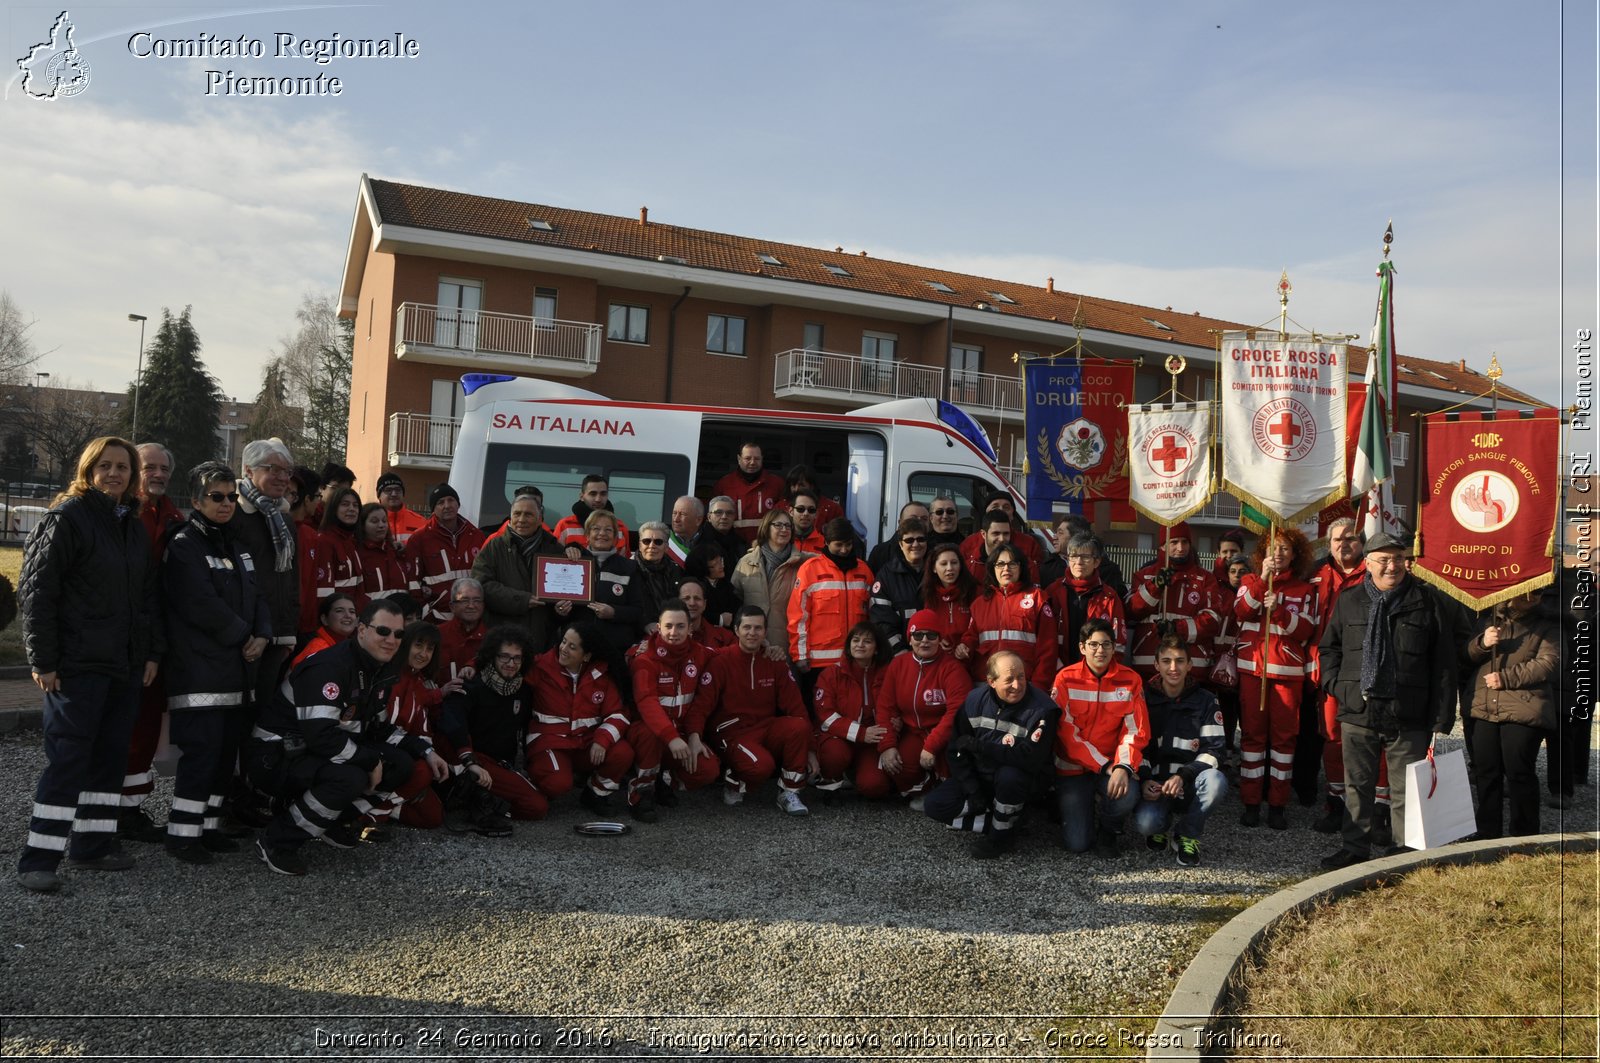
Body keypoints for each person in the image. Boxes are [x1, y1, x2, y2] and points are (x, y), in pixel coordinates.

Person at [16, 436, 160, 892]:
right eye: (106, 466)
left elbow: (145, 598)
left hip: (122, 666)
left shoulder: (130, 525)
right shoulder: (67, 519)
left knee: (109, 759)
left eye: (123, 467)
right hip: (77, 666)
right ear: (88, 470)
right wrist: (44, 660)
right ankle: (39, 859)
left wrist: (149, 654)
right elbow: (38, 594)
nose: (115, 474)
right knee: (68, 760)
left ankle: (92, 847)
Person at [248, 599, 448, 876]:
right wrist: (369, 761)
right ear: (362, 630)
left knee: (402, 764)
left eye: (399, 634)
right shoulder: (330, 667)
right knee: (351, 777)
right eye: (383, 631)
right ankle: (276, 841)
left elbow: (376, 729)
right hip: (274, 753)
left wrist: (425, 751)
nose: (391, 640)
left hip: (312, 748)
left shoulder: (379, 670)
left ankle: (331, 822)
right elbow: (320, 736)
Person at [1317, 528, 1457, 869]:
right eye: (1383, 559)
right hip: (1358, 708)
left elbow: (1444, 663)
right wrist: (1338, 686)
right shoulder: (1350, 600)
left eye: (1398, 558)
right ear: (1367, 563)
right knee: (1357, 786)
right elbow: (1329, 649)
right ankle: (1355, 848)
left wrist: (1441, 717)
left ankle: (1401, 852)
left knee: (1405, 789)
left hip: (1408, 711)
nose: (1391, 566)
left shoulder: (1427, 601)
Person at [159, 461, 272, 864]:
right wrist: (245, 635)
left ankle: (208, 827)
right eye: (216, 497)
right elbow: (198, 604)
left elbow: (258, 596)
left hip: (238, 669)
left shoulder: (237, 545)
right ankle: (183, 835)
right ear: (195, 500)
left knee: (226, 754)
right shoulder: (185, 544)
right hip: (200, 671)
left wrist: (262, 635)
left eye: (230, 497)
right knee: (202, 753)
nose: (226, 504)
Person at [227, 438, 301, 822]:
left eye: (285, 471)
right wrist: (246, 632)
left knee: (261, 719)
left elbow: (290, 580)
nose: (280, 477)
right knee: (236, 720)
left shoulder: (284, 519)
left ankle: (253, 790)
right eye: (271, 469)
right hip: (244, 638)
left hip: (276, 639)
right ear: (249, 471)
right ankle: (229, 796)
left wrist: (288, 634)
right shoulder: (233, 514)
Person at [923, 651, 1059, 859]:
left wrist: (982, 747)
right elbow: (956, 750)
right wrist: (973, 790)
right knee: (934, 805)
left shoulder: (1042, 709)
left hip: (1020, 780)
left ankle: (1000, 837)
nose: (1017, 685)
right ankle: (1006, 822)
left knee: (1009, 776)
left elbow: (1030, 759)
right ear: (991, 682)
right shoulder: (973, 701)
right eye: (1009, 679)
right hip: (982, 777)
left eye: (1021, 676)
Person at [116, 441, 187, 842]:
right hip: (122, 640)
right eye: (149, 467)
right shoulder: (119, 515)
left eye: (164, 469)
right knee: (119, 728)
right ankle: (104, 810)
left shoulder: (172, 516)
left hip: (156, 641)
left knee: (144, 729)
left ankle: (130, 807)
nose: (157, 475)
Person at [1234, 525, 1318, 830]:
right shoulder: (1249, 581)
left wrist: (1280, 610)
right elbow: (1242, 611)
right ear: (1263, 554)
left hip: (1286, 676)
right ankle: (1251, 802)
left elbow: (1306, 630)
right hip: (1253, 672)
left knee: (1284, 742)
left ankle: (1278, 805)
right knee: (1252, 739)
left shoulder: (1305, 590)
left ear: (1295, 554)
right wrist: (1261, 583)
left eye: (1285, 548)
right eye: (1273, 548)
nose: (1278, 553)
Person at [1464, 590, 1560, 839]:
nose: (1531, 598)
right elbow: (1467, 656)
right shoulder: (1489, 619)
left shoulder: (1548, 625)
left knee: (1519, 771)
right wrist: (1482, 643)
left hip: (1523, 707)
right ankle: (1487, 831)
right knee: (1486, 772)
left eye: (1537, 593)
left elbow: (1549, 662)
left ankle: (1525, 833)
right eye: (1525, 593)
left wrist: (1506, 678)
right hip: (1484, 707)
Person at [1050, 618, 1150, 856]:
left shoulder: (1131, 680)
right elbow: (1066, 734)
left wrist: (1122, 767)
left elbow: (1135, 731)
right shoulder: (1065, 678)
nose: (1100, 650)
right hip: (1073, 769)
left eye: (1106, 644)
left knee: (1128, 793)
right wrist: (1104, 765)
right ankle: (1068, 806)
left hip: (1111, 765)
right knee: (1077, 845)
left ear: (1114, 647)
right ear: (1082, 648)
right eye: (1093, 644)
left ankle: (1109, 830)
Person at [434, 626, 549, 826]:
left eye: (517, 658)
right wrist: (469, 760)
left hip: (500, 764)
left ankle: (481, 800)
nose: (510, 663)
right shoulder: (471, 686)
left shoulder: (524, 691)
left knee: (537, 805)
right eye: (504, 657)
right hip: (472, 760)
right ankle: (475, 796)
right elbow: (452, 725)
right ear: (492, 656)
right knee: (536, 806)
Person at [704, 606, 812, 815]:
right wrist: (694, 736)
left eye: (757, 628)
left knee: (799, 726)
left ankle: (789, 792)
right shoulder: (721, 660)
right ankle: (734, 780)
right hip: (731, 732)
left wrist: (812, 748)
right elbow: (702, 705)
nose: (752, 633)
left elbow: (796, 706)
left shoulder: (775, 661)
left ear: (765, 633)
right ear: (736, 630)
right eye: (747, 627)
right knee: (762, 767)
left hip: (763, 727)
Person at [1135, 636, 1229, 867]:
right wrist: (1145, 780)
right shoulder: (1143, 698)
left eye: (1180, 661)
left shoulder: (1207, 700)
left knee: (1216, 781)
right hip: (1157, 785)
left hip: (1190, 783)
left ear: (1190, 665)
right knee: (1146, 823)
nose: (1173, 668)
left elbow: (1215, 750)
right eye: (1166, 661)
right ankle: (1161, 825)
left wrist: (1183, 776)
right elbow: (1137, 746)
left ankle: (1187, 833)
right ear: (1156, 665)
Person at [525, 621, 635, 816]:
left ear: (586, 656)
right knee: (557, 784)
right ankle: (541, 784)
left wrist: (602, 741)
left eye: (572, 646)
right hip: (550, 742)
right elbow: (506, 661)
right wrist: (472, 666)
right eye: (564, 642)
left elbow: (618, 713)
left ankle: (595, 794)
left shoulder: (602, 674)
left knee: (622, 753)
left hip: (587, 743)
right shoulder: (541, 666)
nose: (563, 649)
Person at [1305, 517, 1372, 833]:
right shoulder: (1316, 574)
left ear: (1360, 541)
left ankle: (1374, 808)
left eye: (1350, 538)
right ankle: (1336, 802)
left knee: (1369, 738)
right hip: (1328, 669)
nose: (1344, 544)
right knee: (1331, 738)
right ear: (1328, 544)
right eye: (1337, 540)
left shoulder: (1374, 572)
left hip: (1365, 668)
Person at [626, 600, 720, 821]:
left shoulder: (699, 653)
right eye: (668, 626)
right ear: (658, 627)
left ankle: (662, 780)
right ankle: (640, 794)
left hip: (681, 733)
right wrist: (671, 738)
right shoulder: (645, 659)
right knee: (650, 736)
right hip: (648, 732)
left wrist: (764, 646)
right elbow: (647, 702)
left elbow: (729, 655)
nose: (673, 632)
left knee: (707, 769)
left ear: (690, 629)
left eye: (680, 626)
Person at [874, 609, 973, 803]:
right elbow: (885, 707)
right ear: (910, 639)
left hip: (946, 735)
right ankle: (926, 788)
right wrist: (887, 745)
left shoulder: (952, 668)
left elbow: (956, 712)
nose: (924, 641)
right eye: (918, 635)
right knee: (896, 766)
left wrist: (932, 745)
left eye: (931, 635)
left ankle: (946, 787)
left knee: (956, 770)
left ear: (939, 639)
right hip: (912, 731)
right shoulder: (898, 665)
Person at [377, 622, 461, 830]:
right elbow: (379, 729)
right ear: (405, 644)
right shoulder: (389, 676)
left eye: (430, 648)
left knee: (432, 817)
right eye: (419, 645)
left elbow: (422, 722)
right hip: (380, 752)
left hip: (404, 754)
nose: (424, 653)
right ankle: (371, 814)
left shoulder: (417, 680)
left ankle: (385, 806)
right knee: (423, 770)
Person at [471, 491, 570, 653]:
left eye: (528, 515)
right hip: (502, 638)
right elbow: (481, 586)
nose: (522, 520)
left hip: (541, 641)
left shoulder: (555, 549)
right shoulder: (494, 547)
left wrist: (560, 611)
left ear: (540, 519)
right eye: (517, 514)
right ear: (510, 517)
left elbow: (562, 593)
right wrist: (523, 600)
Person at [1127, 521, 1224, 680]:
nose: (1180, 548)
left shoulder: (1205, 578)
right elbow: (1132, 611)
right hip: (1149, 664)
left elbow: (1212, 620)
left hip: (1193, 667)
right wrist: (1155, 587)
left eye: (1185, 542)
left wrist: (1177, 629)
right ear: (1163, 546)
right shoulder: (1144, 576)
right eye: (1174, 542)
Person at [788, 518, 875, 693]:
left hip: (856, 659)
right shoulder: (810, 570)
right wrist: (800, 655)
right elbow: (798, 617)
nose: (844, 550)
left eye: (848, 544)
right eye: (839, 545)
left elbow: (872, 614)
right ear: (826, 543)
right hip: (820, 663)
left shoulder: (864, 571)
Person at [963, 542, 1058, 687]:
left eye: (1012, 563)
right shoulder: (979, 604)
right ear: (992, 568)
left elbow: (1048, 648)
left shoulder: (1037, 598)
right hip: (987, 684)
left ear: (1021, 568)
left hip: (1023, 684)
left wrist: (1040, 686)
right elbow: (971, 639)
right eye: (1000, 564)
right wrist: (964, 646)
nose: (1006, 568)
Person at [813, 622, 891, 796]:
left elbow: (897, 707)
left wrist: (892, 727)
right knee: (835, 754)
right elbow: (826, 716)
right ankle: (830, 781)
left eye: (867, 641)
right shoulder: (832, 674)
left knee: (874, 786)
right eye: (855, 640)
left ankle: (859, 773)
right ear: (849, 645)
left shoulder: (888, 673)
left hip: (873, 739)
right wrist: (861, 733)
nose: (860, 645)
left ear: (877, 648)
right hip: (839, 737)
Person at [731, 508, 813, 659]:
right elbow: (735, 603)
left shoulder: (804, 563)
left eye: (788, 526)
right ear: (766, 528)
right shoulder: (746, 562)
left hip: (787, 649)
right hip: (752, 648)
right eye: (778, 525)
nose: (784, 530)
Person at [1046, 531, 1128, 669]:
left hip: (1096, 674)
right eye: (1073, 556)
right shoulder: (1053, 592)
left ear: (1097, 562)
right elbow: (1043, 639)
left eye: (1085, 557)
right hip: (1058, 671)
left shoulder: (1110, 597)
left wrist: (1101, 672)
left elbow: (1118, 644)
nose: (1078, 562)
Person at [408, 483, 486, 623]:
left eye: (451, 500)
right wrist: (424, 612)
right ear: (433, 509)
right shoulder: (419, 539)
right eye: (440, 502)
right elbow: (413, 582)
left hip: (472, 616)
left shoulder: (476, 535)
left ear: (458, 504)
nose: (447, 505)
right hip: (436, 618)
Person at [579, 508, 647, 653]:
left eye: (608, 530)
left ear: (616, 537)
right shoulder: (574, 564)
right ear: (587, 535)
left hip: (615, 647)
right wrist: (560, 611)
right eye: (596, 529)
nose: (602, 533)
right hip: (579, 646)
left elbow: (638, 611)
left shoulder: (629, 567)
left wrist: (614, 612)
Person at [868, 518, 929, 655]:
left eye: (921, 539)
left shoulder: (937, 571)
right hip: (899, 655)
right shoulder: (886, 576)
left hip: (935, 654)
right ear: (901, 544)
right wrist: (900, 652)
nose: (915, 544)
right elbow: (881, 622)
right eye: (909, 540)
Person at [713, 442, 787, 544]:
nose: (752, 462)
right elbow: (713, 518)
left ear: (762, 459)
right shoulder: (724, 484)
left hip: (766, 546)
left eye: (757, 459)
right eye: (747, 458)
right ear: (739, 459)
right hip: (730, 546)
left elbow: (785, 519)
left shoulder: (777, 484)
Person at [958, 491, 1043, 572]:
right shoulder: (969, 544)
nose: (1001, 510)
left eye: (1006, 507)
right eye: (995, 507)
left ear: (1013, 515)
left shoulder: (1029, 544)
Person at [552, 474, 632, 557]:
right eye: (593, 494)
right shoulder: (565, 525)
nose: (598, 499)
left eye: (603, 494)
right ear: (582, 496)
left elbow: (626, 562)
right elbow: (554, 558)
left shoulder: (620, 527)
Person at [921, 542, 977, 656]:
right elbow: (923, 627)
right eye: (943, 564)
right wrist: (935, 640)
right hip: (938, 659)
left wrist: (966, 644)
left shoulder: (974, 591)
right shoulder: (927, 594)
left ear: (961, 566)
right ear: (934, 568)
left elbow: (979, 626)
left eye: (954, 563)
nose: (949, 568)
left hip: (969, 657)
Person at [289, 466, 324, 644]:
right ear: (307, 499)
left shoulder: (310, 534)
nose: (320, 502)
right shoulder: (290, 533)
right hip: (291, 628)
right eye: (318, 496)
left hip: (306, 627)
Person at [316, 487, 365, 610]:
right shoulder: (324, 541)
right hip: (334, 619)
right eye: (345, 504)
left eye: (355, 505)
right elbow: (323, 592)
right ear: (333, 509)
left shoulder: (352, 542)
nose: (351, 509)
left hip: (353, 618)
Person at [355, 502, 411, 606]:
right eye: (374, 521)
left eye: (384, 521)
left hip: (402, 615)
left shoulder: (397, 552)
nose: (381, 525)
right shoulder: (358, 554)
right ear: (362, 525)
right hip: (373, 617)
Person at [633, 521, 684, 624]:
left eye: (658, 542)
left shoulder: (677, 571)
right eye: (646, 541)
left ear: (666, 547)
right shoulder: (628, 569)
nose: (652, 546)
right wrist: (644, 625)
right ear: (639, 545)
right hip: (637, 629)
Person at [292, 593, 359, 666]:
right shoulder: (318, 649)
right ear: (324, 619)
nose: (348, 615)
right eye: (339, 611)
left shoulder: (352, 646)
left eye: (352, 611)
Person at [685, 541, 740, 629]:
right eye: (715, 564)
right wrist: (720, 619)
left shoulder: (726, 585)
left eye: (721, 561)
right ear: (703, 567)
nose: (721, 566)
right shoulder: (695, 587)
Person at [866, 500, 930, 573]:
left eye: (924, 519)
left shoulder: (935, 551)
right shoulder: (880, 552)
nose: (919, 522)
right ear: (900, 522)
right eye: (913, 518)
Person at [679, 576, 736, 650]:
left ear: (704, 604)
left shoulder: (726, 639)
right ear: (677, 603)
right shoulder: (665, 638)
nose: (692, 603)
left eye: (697, 598)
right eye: (686, 598)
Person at [782, 464, 845, 528]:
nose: (796, 489)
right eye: (793, 485)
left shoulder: (833, 509)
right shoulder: (780, 506)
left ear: (812, 486)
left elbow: (839, 535)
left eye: (801, 485)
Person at [375, 472, 427, 548]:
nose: (393, 494)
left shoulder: (421, 522)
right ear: (379, 495)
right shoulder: (370, 522)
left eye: (398, 490)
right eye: (388, 490)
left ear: (403, 494)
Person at [961, 509, 1014, 583]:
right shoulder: (969, 568)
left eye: (1006, 533)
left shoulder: (1022, 564)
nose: (1002, 539)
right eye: (996, 533)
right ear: (983, 534)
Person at [702, 495, 745, 562]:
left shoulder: (741, 544)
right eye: (718, 512)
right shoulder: (700, 543)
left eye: (729, 513)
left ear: (734, 517)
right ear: (709, 517)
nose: (724, 517)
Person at [787, 489, 827, 554]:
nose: (806, 513)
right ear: (791, 511)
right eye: (800, 509)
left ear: (816, 514)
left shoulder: (825, 543)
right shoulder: (781, 540)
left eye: (811, 510)